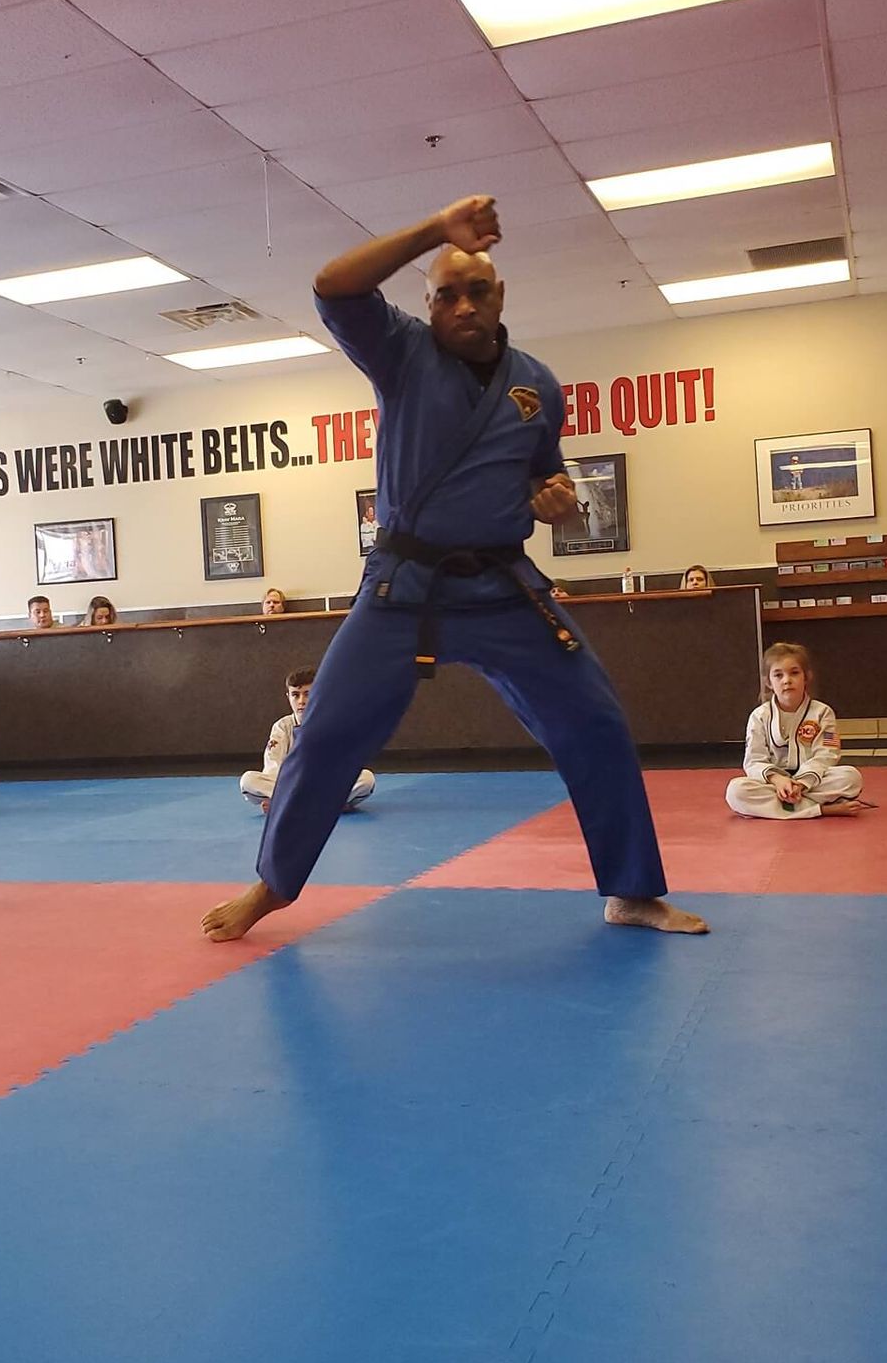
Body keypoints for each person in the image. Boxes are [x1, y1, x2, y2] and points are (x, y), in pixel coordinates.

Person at [201, 194, 705, 941]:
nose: (462, 306)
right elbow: (332, 286)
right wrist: (435, 230)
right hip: (404, 587)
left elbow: (547, 478)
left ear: (501, 296)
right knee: (328, 731)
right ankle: (273, 885)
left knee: (595, 721)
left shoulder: (538, 385)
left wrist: (557, 501)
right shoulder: (401, 353)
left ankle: (631, 891)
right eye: (445, 294)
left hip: (503, 586)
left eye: (477, 291)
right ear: (428, 303)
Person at [725, 642, 869, 819]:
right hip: (773, 784)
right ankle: (823, 809)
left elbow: (827, 754)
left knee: (851, 778)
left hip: (812, 781)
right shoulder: (759, 716)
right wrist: (778, 780)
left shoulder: (823, 712)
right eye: (778, 675)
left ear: (806, 677)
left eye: (794, 673)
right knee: (736, 791)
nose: (787, 680)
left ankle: (782, 807)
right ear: (768, 682)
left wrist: (801, 783)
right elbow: (754, 760)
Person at [240, 666, 373, 814]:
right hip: (290, 785)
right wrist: (287, 786)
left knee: (366, 779)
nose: (301, 701)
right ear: (288, 697)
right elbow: (273, 765)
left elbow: (344, 765)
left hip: (324, 784)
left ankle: (289, 805)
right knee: (248, 780)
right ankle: (325, 805)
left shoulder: (333, 724)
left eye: (307, 694)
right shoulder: (282, 727)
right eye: (295, 695)